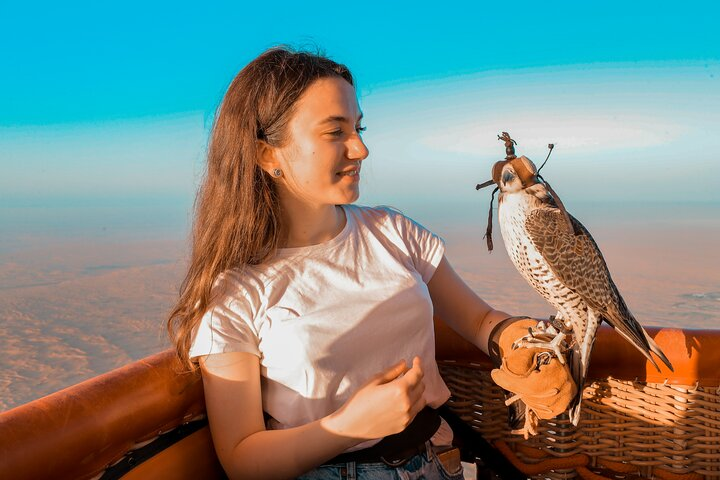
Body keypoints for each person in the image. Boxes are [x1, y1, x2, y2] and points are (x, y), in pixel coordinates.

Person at [167, 46, 573, 480]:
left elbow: (480, 321)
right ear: (267, 154)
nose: (360, 148)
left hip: (437, 464)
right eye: (334, 132)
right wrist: (345, 428)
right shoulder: (236, 292)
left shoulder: (393, 232)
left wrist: (516, 343)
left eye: (358, 128)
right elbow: (242, 458)